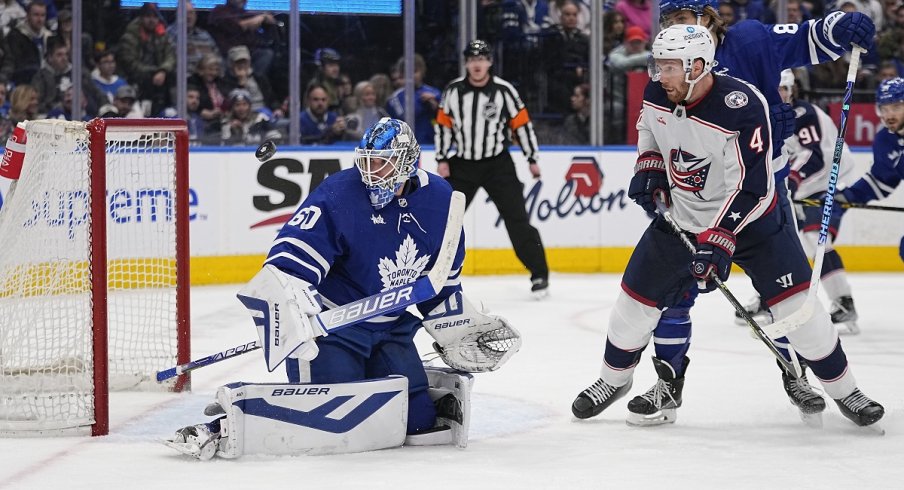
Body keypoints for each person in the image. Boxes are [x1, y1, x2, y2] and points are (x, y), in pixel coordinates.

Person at [574, 0, 877, 426]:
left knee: (793, 308)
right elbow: (652, 127)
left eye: (682, 20)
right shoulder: (662, 83)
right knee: (648, 304)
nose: (662, 67)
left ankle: (822, 382)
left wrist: (840, 25)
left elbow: (805, 40)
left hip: (754, 203)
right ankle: (654, 382)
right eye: (668, 23)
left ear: (704, 29)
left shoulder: (747, 56)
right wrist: (650, 167)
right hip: (686, 205)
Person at [165, 118, 520, 459]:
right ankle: (222, 425)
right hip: (333, 330)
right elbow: (285, 266)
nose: (371, 173)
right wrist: (293, 314)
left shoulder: (442, 201)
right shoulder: (339, 194)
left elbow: (439, 284)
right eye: (367, 163)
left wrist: (458, 327)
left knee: (422, 425)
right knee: (329, 427)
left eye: (382, 164)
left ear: (408, 164)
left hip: (392, 329)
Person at [734, 69, 862, 333]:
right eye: (775, 88)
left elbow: (813, 157)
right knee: (777, 238)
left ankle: (843, 301)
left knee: (816, 238)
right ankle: (770, 297)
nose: (779, 94)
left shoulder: (803, 114)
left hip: (831, 181)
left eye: (784, 89)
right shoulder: (764, 115)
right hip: (800, 188)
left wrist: (790, 180)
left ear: (793, 91)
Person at [434, 39, 550, 297]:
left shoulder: (504, 91)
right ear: (466, 63)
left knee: (517, 219)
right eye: (473, 59)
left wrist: (532, 159)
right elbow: (443, 125)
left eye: (482, 59)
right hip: (463, 164)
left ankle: (540, 273)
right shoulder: (453, 91)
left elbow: (522, 124)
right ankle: (432, 272)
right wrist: (442, 158)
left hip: (498, 163)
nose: (477, 64)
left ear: (489, 62)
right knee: (444, 220)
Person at [836, 77, 904, 264]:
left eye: (896, 107)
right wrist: (849, 196)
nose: (889, 114)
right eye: (885, 108)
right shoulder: (885, 141)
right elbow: (882, 181)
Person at [386, 54, 441, 146]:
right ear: (401, 74)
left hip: (430, 145)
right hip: (404, 147)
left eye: (415, 71)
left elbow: (445, 118)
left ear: (422, 71)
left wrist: (435, 106)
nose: (411, 76)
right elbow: (398, 123)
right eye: (407, 72)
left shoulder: (435, 93)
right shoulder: (395, 99)